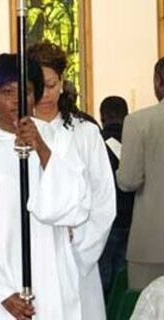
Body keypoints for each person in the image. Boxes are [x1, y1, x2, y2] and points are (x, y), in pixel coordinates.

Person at [0, 53, 91, 319]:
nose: (18, 100)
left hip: (49, 272)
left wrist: (41, 148)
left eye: (28, 91)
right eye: (7, 91)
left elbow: (74, 206)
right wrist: (0, 292)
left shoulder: (58, 140)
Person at [28, 42, 116, 320]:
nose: (45, 95)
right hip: (30, 257)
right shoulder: (14, 134)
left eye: (52, 85)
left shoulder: (85, 134)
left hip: (76, 256)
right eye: (38, 86)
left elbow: (104, 201)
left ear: (63, 81)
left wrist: (77, 240)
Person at [117, 57, 164, 290]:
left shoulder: (138, 122)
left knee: (147, 309)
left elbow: (128, 180)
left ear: (158, 81)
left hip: (151, 240)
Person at [98, 96, 135, 300]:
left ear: (102, 117)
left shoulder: (96, 142)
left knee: (103, 280)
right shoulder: (135, 139)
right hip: (134, 220)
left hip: (107, 223)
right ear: (126, 115)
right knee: (124, 279)